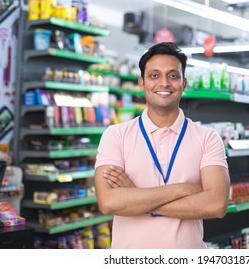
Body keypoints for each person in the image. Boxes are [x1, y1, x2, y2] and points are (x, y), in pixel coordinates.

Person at [94, 42, 230, 249]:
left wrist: (136, 198)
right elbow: (108, 202)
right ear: (142, 83)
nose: (164, 83)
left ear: (184, 83)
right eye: (154, 75)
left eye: (173, 76)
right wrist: (183, 189)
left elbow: (217, 205)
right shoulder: (116, 135)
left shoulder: (207, 137)